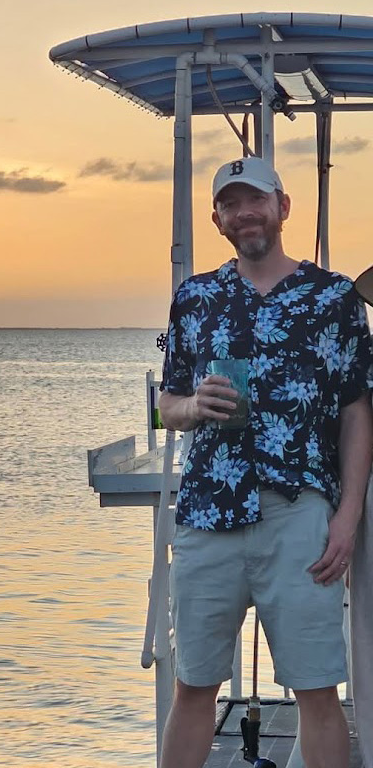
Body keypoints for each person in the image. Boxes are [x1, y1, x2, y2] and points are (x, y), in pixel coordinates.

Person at [158, 156, 373, 768]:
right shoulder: (196, 297)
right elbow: (164, 406)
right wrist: (192, 405)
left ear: (283, 207)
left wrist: (348, 514)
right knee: (194, 686)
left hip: (299, 516)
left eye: (255, 200)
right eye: (230, 204)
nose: (243, 212)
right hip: (206, 516)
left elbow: (358, 407)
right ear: (218, 219)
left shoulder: (332, 297)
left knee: (317, 691)